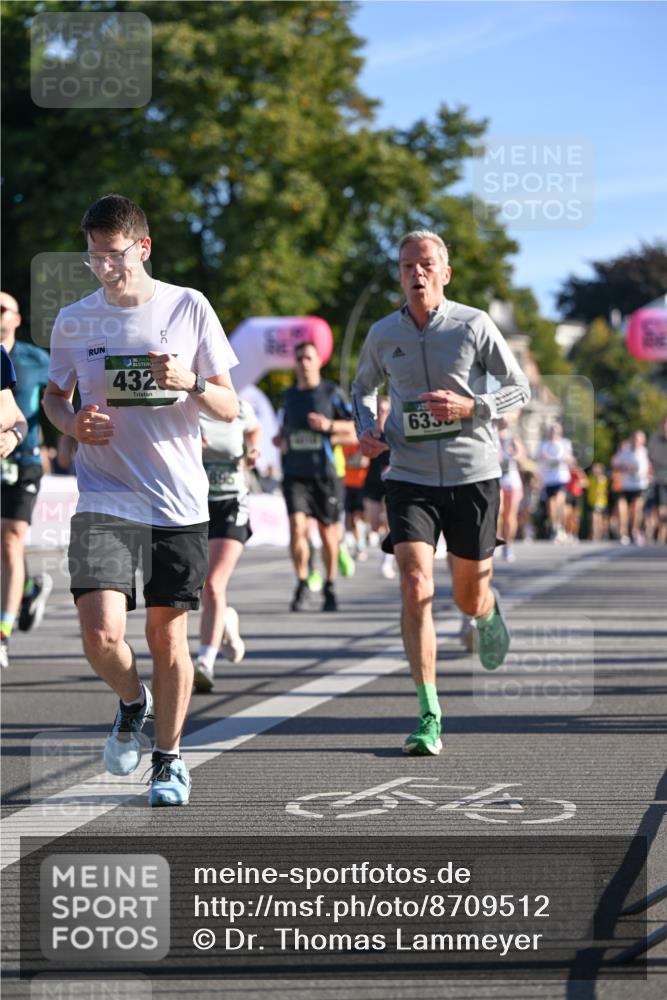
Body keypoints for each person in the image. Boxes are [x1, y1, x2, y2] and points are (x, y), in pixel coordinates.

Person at [42, 193, 239, 806]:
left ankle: (170, 759)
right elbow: (53, 397)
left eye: (114, 255)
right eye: (93, 257)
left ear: (143, 247)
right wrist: (72, 426)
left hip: (177, 500)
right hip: (105, 494)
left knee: (166, 638)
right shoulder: (74, 320)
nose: (103, 267)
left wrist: (192, 382)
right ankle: (133, 702)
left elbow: (231, 407)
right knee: (100, 635)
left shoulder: (189, 307)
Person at [352, 230, 530, 756]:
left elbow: (518, 385)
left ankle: (486, 612)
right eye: (408, 266)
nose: (417, 273)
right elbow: (363, 386)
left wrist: (471, 406)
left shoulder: (474, 324)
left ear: (445, 273)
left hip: (473, 472)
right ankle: (429, 711)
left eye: (427, 264)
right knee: (413, 582)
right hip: (408, 475)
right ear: (400, 274)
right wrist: (366, 424)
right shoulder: (384, 333)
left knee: (467, 593)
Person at [273, 340, 354, 613]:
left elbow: (356, 428)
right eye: (299, 359)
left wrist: (329, 425)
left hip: (326, 474)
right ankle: (302, 581)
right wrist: (281, 439)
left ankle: (329, 585)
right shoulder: (288, 396)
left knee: (328, 534)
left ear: (318, 361)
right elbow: (284, 429)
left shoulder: (331, 392)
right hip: (295, 473)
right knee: (297, 528)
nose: (303, 363)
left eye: (308, 358)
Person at [1, 293, 53, 672]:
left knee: (10, 537)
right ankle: (29, 589)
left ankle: (2, 633)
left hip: (25, 460)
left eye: (2, 308)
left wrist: (62, 436)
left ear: (17, 318)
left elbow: (58, 399)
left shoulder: (36, 358)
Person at [193, 400, 261, 693]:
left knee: (213, 583)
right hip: (194, 504)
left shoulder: (237, 404)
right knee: (197, 585)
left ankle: (205, 661)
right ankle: (225, 621)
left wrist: (253, 449)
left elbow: (254, 429)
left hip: (232, 502)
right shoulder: (185, 406)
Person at [535, 422, 574, 542]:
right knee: (551, 505)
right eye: (552, 431)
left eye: (556, 431)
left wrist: (565, 458)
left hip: (561, 478)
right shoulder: (543, 445)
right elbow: (537, 460)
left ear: (560, 432)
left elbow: (571, 460)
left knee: (559, 502)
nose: (554, 433)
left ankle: (561, 527)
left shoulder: (565, 443)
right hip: (548, 479)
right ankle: (555, 527)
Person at [611, 430, 650, 545]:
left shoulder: (644, 452)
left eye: (639, 439)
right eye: (635, 438)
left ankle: (634, 531)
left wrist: (647, 473)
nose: (637, 441)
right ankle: (623, 533)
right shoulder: (624, 451)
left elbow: (648, 467)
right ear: (631, 439)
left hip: (639, 485)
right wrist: (624, 467)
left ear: (643, 441)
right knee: (622, 510)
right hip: (624, 485)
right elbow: (614, 463)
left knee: (637, 509)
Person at [497, 417, 526, 562]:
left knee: (510, 516)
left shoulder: (513, 438)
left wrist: (515, 453)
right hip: (496, 480)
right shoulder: (491, 436)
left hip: (512, 481)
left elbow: (522, 459)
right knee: (498, 512)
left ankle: (508, 545)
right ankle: (496, 540)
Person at [647, 417, 667, 544]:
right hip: (660, 480)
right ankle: (661, 537)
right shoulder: (655, 441)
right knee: (662, 509)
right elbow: (650, 459)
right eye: (665, 425)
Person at [586, 463, 609, 541]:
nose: (595, 470)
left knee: (596, 517)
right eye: (594, 468)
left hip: (600, 502)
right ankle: (597, 533)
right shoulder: (591, 478)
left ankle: (597, 534)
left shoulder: (602, 478)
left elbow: (601, 481)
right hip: (592, 502)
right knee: (596, 518)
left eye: (597, 469)